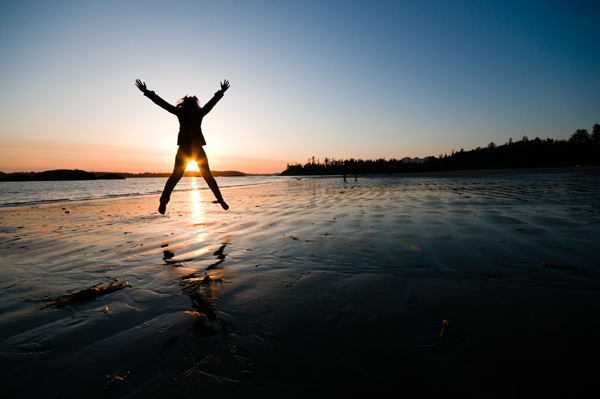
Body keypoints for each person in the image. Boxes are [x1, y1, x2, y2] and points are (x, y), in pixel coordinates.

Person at [135, 79, 230, 214]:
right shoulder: (199, 113)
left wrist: (147, 92)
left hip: (184, 148)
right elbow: (211, 104)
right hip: (197, 149)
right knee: (207, 176)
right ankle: (220, 200)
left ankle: (163, 200)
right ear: (195, 105)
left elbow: (162, 104)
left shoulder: (182, 113)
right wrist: (221, 92)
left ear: (185, 105)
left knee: (176, 176)